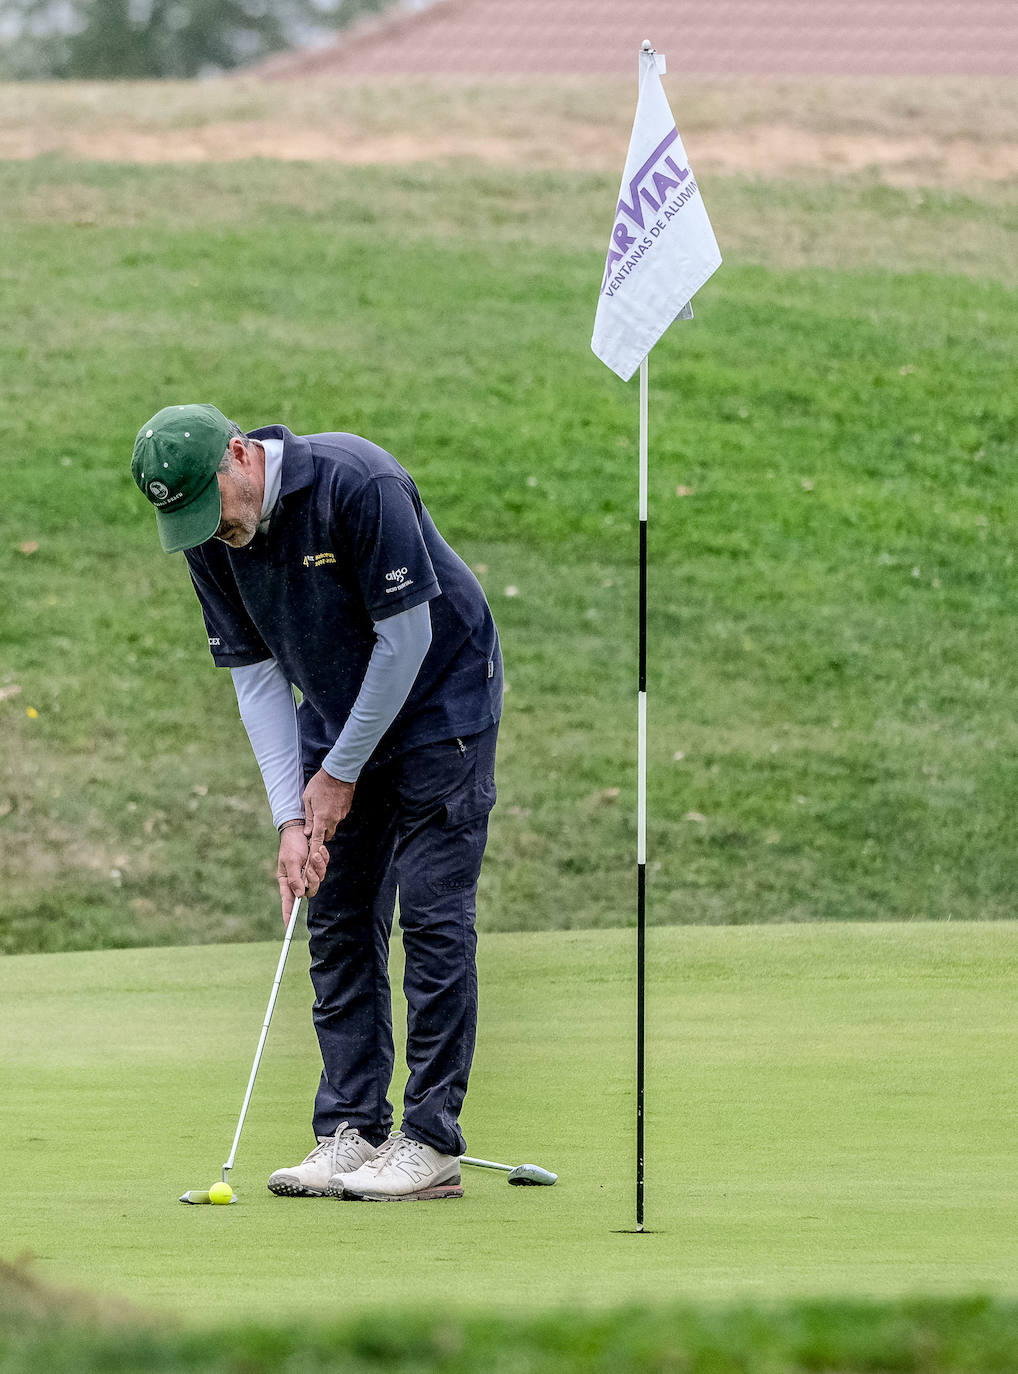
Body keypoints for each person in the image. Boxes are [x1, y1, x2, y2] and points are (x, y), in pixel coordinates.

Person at [131, 403, 502, 1202]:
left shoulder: (357, 483)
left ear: (240, 456)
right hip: (340, 716)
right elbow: (258, 679)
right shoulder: (210, 537)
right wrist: (291, 817)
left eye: (213, 506)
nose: (211, 529)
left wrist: (337, 775)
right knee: (333, 911)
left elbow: (407, 644)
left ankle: (430, 1141)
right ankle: (352, 1130)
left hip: (444, 704)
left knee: (433, 919)